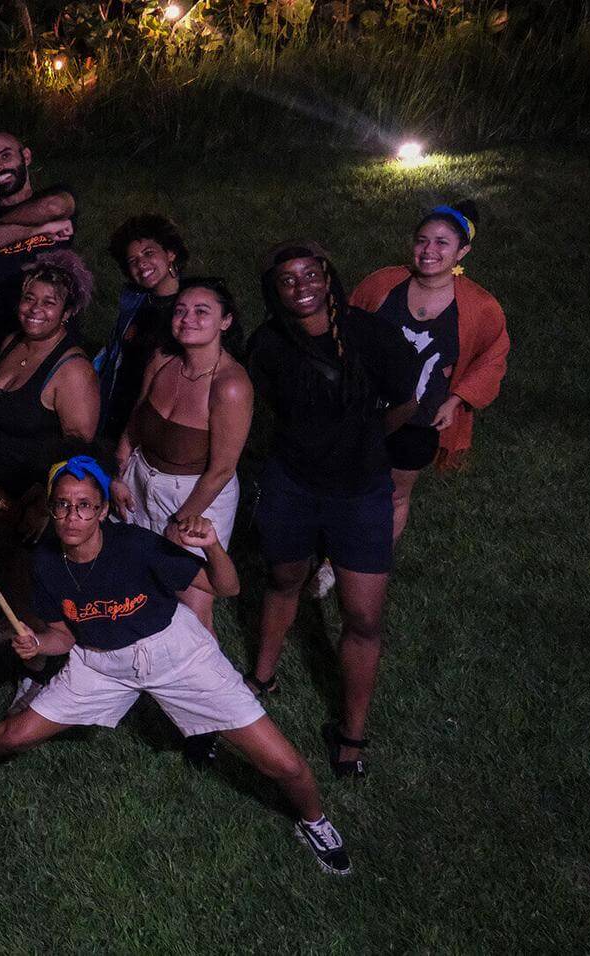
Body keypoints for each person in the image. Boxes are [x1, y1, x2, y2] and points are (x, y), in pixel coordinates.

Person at [0, 457, 353, 877]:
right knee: (17, 733)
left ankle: (314, 821)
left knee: (284, 764)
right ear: (51, 508)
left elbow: (228, 587)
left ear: (103, 511)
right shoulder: (45, 563)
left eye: (84, 505)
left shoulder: (136, 546)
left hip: (177, 654)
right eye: (62, 504)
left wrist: (212, 546)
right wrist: (38, 642)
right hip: (99, 664)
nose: (72, 515)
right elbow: (64, 636)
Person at [243, 241, 420, 779]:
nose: (301, 287)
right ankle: (262, 679)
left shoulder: (369, 334)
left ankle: (351, 731)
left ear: (327, 277)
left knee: (363, 617)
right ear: (275, 292)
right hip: (292, 484)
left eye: (310, 275)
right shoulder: (269, 343)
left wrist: (362, 437)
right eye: (288, 280)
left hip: (361, 492)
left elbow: (407, 401)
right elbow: (268, 404)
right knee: (282, 579)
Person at [349, 200, 510, 542]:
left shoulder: (479, 306)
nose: (428, 250)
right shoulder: (383, 284)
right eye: (422, 240)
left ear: (462, 252)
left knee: (394, 494)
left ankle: (373, 563)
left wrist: (455, 401)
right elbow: (346, 327)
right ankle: (335, 551)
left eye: (442, 243)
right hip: (365, 410)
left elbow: (493, 356)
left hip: (421, 419)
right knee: (351, 483)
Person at [111, 277, 251, 633]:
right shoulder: (162, 359)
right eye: (180, 310)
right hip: (142, 480)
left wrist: (181, 521)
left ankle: (202, 685)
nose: (187, 318)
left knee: (191, 603)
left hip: (197, 496)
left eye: (202, 311)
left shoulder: (230, 385)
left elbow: (221, 470)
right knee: (136, 580)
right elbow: (136, 416)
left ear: (226, 321)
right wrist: (119, 471)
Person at [0, 251, 100, 527]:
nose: (35, 309)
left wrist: (39, 506)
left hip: (26, 504)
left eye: (49, 303)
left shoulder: (73, 371)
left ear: (67, 313)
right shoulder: (12, 342)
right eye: (29, 298)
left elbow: (78, 453)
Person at [0, 132, 78, 390]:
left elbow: (53, 207)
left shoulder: (57, 194)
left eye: (5, 155)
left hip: (52, 335)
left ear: (26, 156)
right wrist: (36, 231)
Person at [99, 214, 188, 442]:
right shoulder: (133, 305)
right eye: (132, 260)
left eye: (149, 253)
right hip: (120, 415)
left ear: (170, 254)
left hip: (166, 423)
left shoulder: (193, 305)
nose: (141, 263)